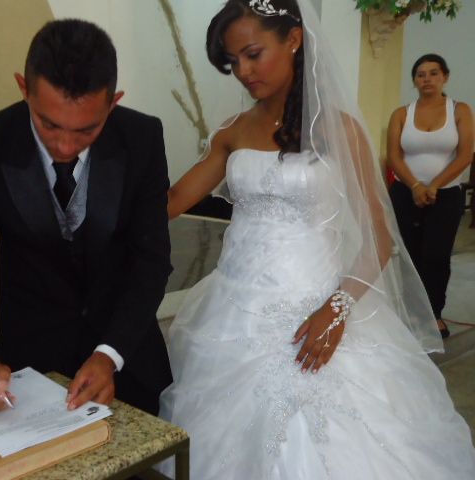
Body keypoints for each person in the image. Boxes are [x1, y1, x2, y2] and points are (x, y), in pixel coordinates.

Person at [158, 0, 475, 478]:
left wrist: (338, 308)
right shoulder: (232, 131)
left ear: (293, 40)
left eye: (253, 54)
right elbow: (172, 200)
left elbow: (379, 237)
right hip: (235, 308)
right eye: (232, 61)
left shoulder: (336, 130)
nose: (243, 72)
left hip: (317, 305)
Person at [0, 19, 173, 417]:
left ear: (113, 102)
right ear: (24, 88)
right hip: (31, 361)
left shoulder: (141, 138)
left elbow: (151, 261)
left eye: (87, 130)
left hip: (127, 355)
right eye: (49, 124)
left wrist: (109, 354)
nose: (65, 146)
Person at [386, 54, 474, 339]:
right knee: (409, 256)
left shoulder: (460, 110)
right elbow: (393, 156)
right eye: (421, 74)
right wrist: (415, 186)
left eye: (434, 73)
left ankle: (434, 314)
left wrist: (433, 186)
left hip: (444, 195)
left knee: (436, 256)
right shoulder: (401, 114)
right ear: (414, 80)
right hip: (405, 194)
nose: (427, 79)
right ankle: (412, 310)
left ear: (445, 77)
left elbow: (465, 156)